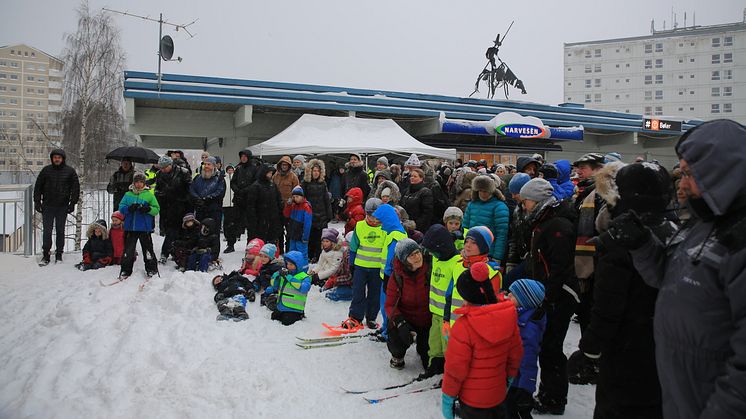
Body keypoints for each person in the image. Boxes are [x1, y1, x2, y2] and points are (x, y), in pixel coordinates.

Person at [598, 120, 746, 419]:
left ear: (722, 173)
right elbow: (666, 279)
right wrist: (642, 244)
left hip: (712, 400)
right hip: (681, 393)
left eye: (689, 174)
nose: (681, 184)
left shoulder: (737, 240)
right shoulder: (704, 224)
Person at [568, 161, 673, 419]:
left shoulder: (622, 239)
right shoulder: (675, 232)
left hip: (627, 348)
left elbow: (608, 305)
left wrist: (589, 349)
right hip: (665, 348)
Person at [518, 178, 579, 415]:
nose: (525, 206)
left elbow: (559, 268)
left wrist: (549, 299)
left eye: (527, 201)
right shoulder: (544, 221)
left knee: (551, 347)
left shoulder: (557, 226)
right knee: (547, 345)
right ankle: (548, 392)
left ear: (539, 200)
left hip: (560, 294)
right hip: (548, 292)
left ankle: (554, 398)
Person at [441, 261, 523, 419]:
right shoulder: (508, 317)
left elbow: (455, 369)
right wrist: (509, 379)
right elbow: (516, 354)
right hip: (498, 395)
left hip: (472, 401)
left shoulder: (464, 326)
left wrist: (448, 397)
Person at [571, 153, 606, 343]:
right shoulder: (582, 193)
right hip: (584, 264)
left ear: (598, 170)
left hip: (594, 266)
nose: (578, 172)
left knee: (590, 313)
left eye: (583, 168)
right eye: (578, 168)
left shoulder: (601, 194)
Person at [421, 224, 461, 379]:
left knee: (448, 348)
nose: (433, 254)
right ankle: (434, 368)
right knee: (434, 344)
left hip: (448, 318)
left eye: (434, 251)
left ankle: (450, 375)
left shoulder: (457, 263)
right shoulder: (436, 258)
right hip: (435, 314)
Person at [385, 239, 432, 371]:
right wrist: (400, 322)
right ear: (404, 260)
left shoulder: (430, 270)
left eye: (417, 252)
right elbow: (390, 304)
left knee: (427, 356)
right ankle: (397, 355)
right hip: (407, 319)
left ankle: (423, 349)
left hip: (428, 320)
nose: (417, 257)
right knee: (396, 335)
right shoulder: (397, 277)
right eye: (411, 255)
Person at [505, 279, 547, 419]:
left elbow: (529, 361)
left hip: (517, 384)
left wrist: (526, 389)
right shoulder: (518, 315)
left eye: (513, 294)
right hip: (510, 378)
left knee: (514, 411)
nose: (508, 296)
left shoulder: (529, 328)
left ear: (524, 301)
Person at [342, 198, 385, 330]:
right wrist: (352, 264)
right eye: (370, 215)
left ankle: (371, 317)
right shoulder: (360, 226)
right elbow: (354, 246)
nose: (373, 219)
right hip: (360, 266)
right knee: (358, 293)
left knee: (374, 294)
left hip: (377, 268)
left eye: (375, 216)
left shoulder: (385, 228)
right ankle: (355, 317)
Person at [34, 149, 80, 265]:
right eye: (55, 157)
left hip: (62, 206)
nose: (57, 159)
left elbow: (75, 189)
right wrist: (37, 202)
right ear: (52, 158)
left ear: (63, 159)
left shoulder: (70, 171)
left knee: (60, 231)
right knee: (47, 231)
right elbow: (38, 187)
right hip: (48, 206)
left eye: (59, 157)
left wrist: (72, 203)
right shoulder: (46, 170)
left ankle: (59, 254)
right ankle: (46, 255)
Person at [373, 202, 408, 336]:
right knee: (385, 306)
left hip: (391, 278)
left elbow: (391, 261)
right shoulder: (393, 232)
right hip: (387, 277)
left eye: (381, 222)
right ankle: (385, 327)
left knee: (389, 306)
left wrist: (388, 277)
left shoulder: (395, 236)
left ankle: (389, 332)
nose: (380, 225)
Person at [118, 172, 160, 279]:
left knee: (148, 250)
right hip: (130, 227)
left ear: (144, 183)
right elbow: (121, 208)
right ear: (133, 183)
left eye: (141, 182)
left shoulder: (149, 195)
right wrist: (129, 209)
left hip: (144, 228)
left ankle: (151, 269)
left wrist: (148, 209)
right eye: (137, 182)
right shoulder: (128, 194)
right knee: (128, 250)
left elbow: (156, 209)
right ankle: (125, 270)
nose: (139, 184)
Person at [463, 175, 510, 265]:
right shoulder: (472, 205)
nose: (483, 194)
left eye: (486, 191)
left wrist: (497, 257)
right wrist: (465, 248)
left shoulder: (499, 207)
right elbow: (465, 229)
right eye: (480, 190)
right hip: (471, 253)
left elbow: (501, 234)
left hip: (489, 255)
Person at [154, 155, 192, 263]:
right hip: (167, 206)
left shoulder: (183, 172)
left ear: (171, 165)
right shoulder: (159, 174)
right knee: (170, 231)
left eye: (165, 167)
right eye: (161, 168)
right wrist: (161, 194)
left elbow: (189, 189)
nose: (163, 169)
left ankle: (175, 252)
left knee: (181, 231)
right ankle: (168, 252)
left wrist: (187, 203)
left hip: (182, 205)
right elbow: (157, 189)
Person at [264, 250, 311, 326]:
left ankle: (300, 315)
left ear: (298, 265)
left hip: (294, 309)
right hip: (281, 306)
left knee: (286, 322)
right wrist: (277, 275)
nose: (288, 266)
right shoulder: (285, 274)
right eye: (287, 264)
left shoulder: (304, 277)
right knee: (274, 317)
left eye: (291, 264)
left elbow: (304, 288)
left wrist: (289, 278)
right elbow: (275, 286)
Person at [301, 159, 332, 262]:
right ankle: (309, 256)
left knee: (320, 239)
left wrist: (329, 214)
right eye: (314, 171)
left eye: (318, 171)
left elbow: (326, 200)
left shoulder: (323, 184)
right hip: (309, 214)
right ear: (310, 171)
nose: (316, 173)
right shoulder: (305, 184)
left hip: (321, 215)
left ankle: (319, 257)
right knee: (310, 238)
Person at [246, 164, 284, 245]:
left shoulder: (272, 185)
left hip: (272, 218)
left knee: (271, 239)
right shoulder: (256, 186)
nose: (270, 175)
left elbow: (278, 199)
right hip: (260, 218)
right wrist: (253, 219)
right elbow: (251, 205)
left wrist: (279, 210)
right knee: (258, 240)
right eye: (268, 173)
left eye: (271, 173)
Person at [273, 155, 300, 251]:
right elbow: (272, 189)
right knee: (278, 229)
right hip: (278, 207)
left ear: (289, 166)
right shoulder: (275, 176)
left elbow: (297, 191)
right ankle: (279, 248)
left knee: (289, 230)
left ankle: (288, 248)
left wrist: (292, 200)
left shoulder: (293, 177)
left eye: (286, 165)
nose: (284, 166)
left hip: (289, 207)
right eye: (282, 164)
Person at [231, 148, 259, 239]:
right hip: (238, 198)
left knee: (251, 224)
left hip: (249, 199)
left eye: (245, 156)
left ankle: (250, 242)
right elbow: (233, 182)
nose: (243, 158)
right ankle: (231, 243)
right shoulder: (238, 168)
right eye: (241, 156)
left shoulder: (254, 168)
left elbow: (255, 183)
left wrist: (245, 190)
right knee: (234, 222)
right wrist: (236, 190)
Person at [189, 156, 225, 224]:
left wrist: (208, 198)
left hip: (214, 211)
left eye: (209, 164)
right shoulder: (197, 178)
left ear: (214, 166)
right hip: (200, 210)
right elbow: (192, 189)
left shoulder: (219, 179)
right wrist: (197, 198)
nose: (206, 166)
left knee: (213, 232)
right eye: (205, 164)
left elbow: (220, 191)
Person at [283, 186, 313, 267]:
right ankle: (291, 269)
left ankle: (304, 269)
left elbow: (308, 224)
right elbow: (286, 214)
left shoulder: (306, 207)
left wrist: (305, 237)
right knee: (292, 253)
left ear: (302, 196)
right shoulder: (292, 205)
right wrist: (288, 205)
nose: (295, 198)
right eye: (294, 197)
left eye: (297, 196)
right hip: (293, 234)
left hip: (301, 236)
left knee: (302, 254)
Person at [322, 232, 354, 302]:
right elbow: (341, 266)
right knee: (325, 290)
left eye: (347, 243)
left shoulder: (352, 258)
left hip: (353, 285)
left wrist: (335, 280)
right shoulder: (346, 252)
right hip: (345, 281)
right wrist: (334, 276)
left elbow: (350, 278)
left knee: (330, 294)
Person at [400, 168, 434, 233]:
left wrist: (416, 225)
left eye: (415, 176)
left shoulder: (426, 192)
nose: (412, 178)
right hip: (404, 225)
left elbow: (427, 213)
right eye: (411, 176)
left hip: (417, 228)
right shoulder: (406, 191)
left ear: (421, 178)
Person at [222, 164, 239, 253]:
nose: (230, 171)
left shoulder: (236, 179)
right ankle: (229, 241)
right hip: (225, 205)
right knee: (226, 223)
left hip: (234, 204)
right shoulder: (223, 179)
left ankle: (233, 240)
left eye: (231, 169)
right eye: (228, 169)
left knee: (233, 224)